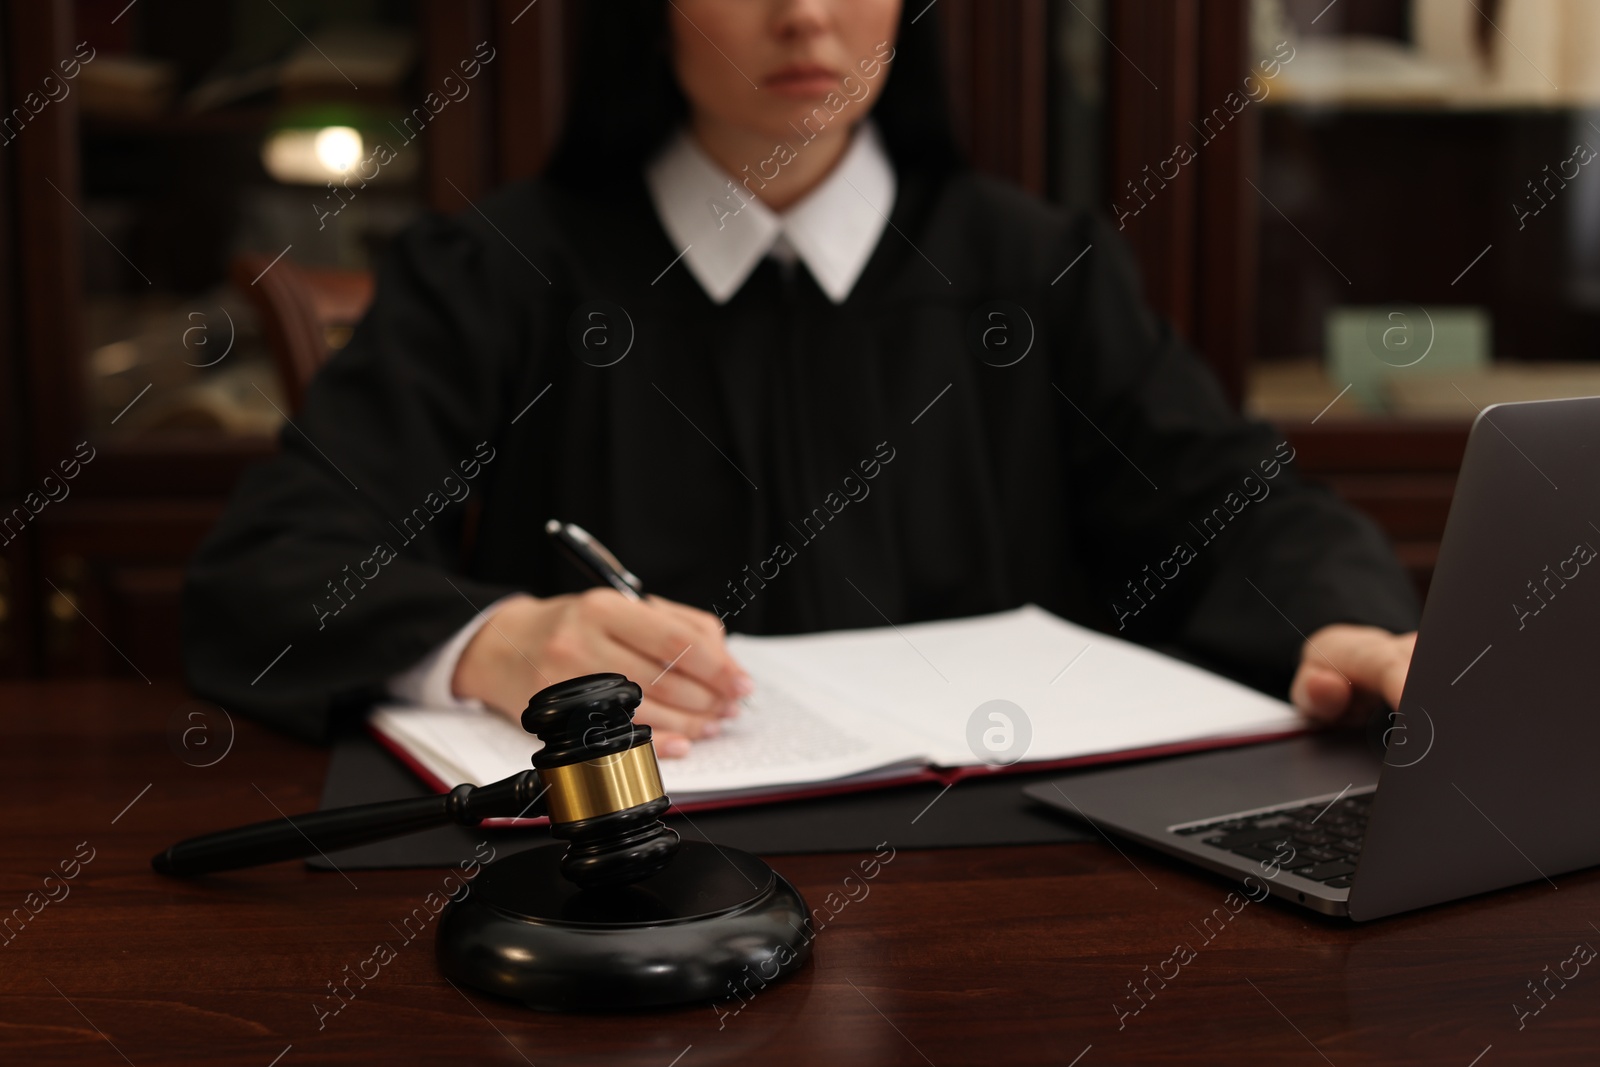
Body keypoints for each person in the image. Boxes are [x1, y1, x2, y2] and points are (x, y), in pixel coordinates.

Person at [184, 0, 1420, 753]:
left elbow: (1241, 508)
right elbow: (276, 557)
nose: (805, 16)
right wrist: (492, 639)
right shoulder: (504, 269)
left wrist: (1347, 623)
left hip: (997, 893)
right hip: (622, 898)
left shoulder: (1030, 269)